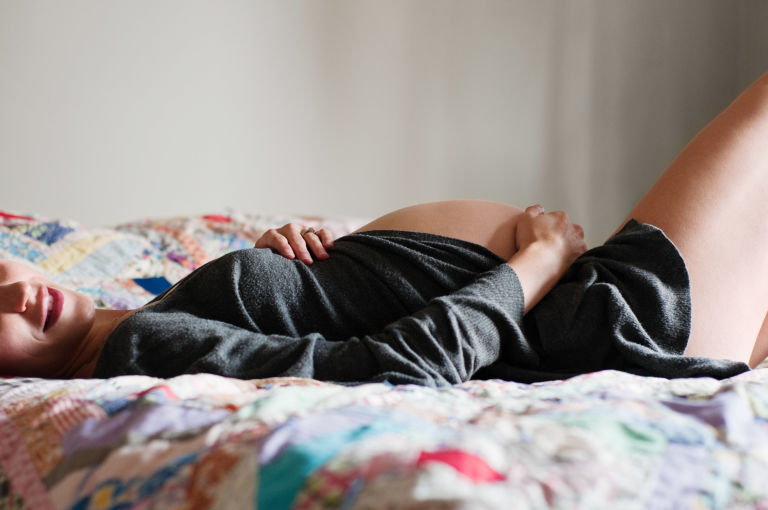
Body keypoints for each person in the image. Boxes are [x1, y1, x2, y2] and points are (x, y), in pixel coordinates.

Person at [1, 71, 767, 385]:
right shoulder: (136, 351)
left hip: (604, 310)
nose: (15, 295)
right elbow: (394, 369)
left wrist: (281, 272)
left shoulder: (142, 322)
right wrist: (536, 260)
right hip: (612, 315)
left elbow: (314, 333)